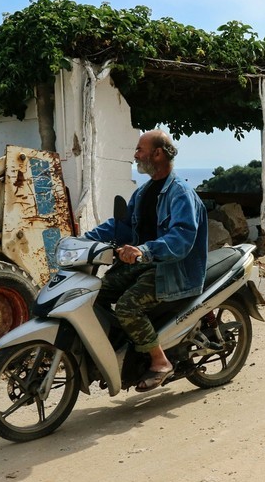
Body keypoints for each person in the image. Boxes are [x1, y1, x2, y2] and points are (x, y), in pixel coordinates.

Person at [84, 129, 208, 391]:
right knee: (94, 293)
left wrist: (144, 251)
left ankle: (160, 361)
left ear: (158, 153)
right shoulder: (143, 193)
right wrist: (83, 240)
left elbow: (181, 239)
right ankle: (122, 348)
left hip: (171, 269)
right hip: (144, 264)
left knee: (128, 306)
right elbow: (122, 226)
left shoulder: (180, 193)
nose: (136, 154)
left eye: (140, 149)